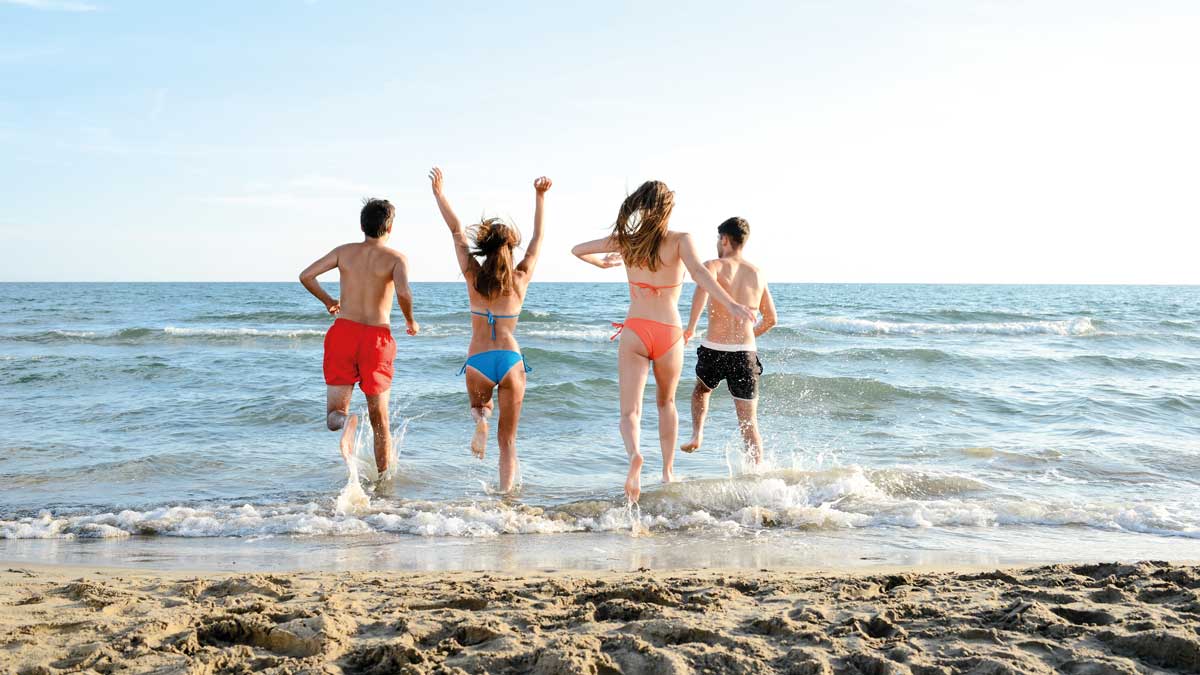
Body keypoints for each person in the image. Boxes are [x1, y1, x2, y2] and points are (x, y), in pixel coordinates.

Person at [571, 181, 758, 502]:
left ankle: (634, 457)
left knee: (630, 411)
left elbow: (576, 250)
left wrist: (601, 262)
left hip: (635, 328)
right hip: (668, 330)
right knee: (666, 403)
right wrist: (731, 305)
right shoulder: (680, 240)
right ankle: (668, 472)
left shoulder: (626, 241)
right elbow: (701, 274)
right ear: (668, 208)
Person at [429, 167, 550, 493]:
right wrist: (539, 198)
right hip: (510, 359)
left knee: (479, 407)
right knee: (508, 441)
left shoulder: (472, 275)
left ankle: (481, 420)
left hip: (478, 358)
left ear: (485, 248)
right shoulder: (520, 279)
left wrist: (440, 194)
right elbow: (538, 241)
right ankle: (506, 495)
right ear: (510, 249)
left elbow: (456, 230)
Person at [299, 197, 418, 477]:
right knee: (381, 421)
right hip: (376, 339)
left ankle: (347, 421)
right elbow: (403, 293)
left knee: (332, 416)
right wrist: (411, 320)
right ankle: (383, 484)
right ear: (389, 226)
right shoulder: (396, 259)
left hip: (343, 334)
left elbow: (306, 276)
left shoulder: (344, 252)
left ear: (362, 225)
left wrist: (329, 301)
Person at [680, 217, 777, 462]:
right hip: (745, 352)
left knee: (702, 390)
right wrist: (747, 339)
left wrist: (690, 327)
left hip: (714, 347)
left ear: (724, 239)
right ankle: (758, 473)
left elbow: (702, 287)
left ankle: (696, 435)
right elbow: (771, 319)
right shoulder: (757, 274)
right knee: (748, 422)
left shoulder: (713, 265)